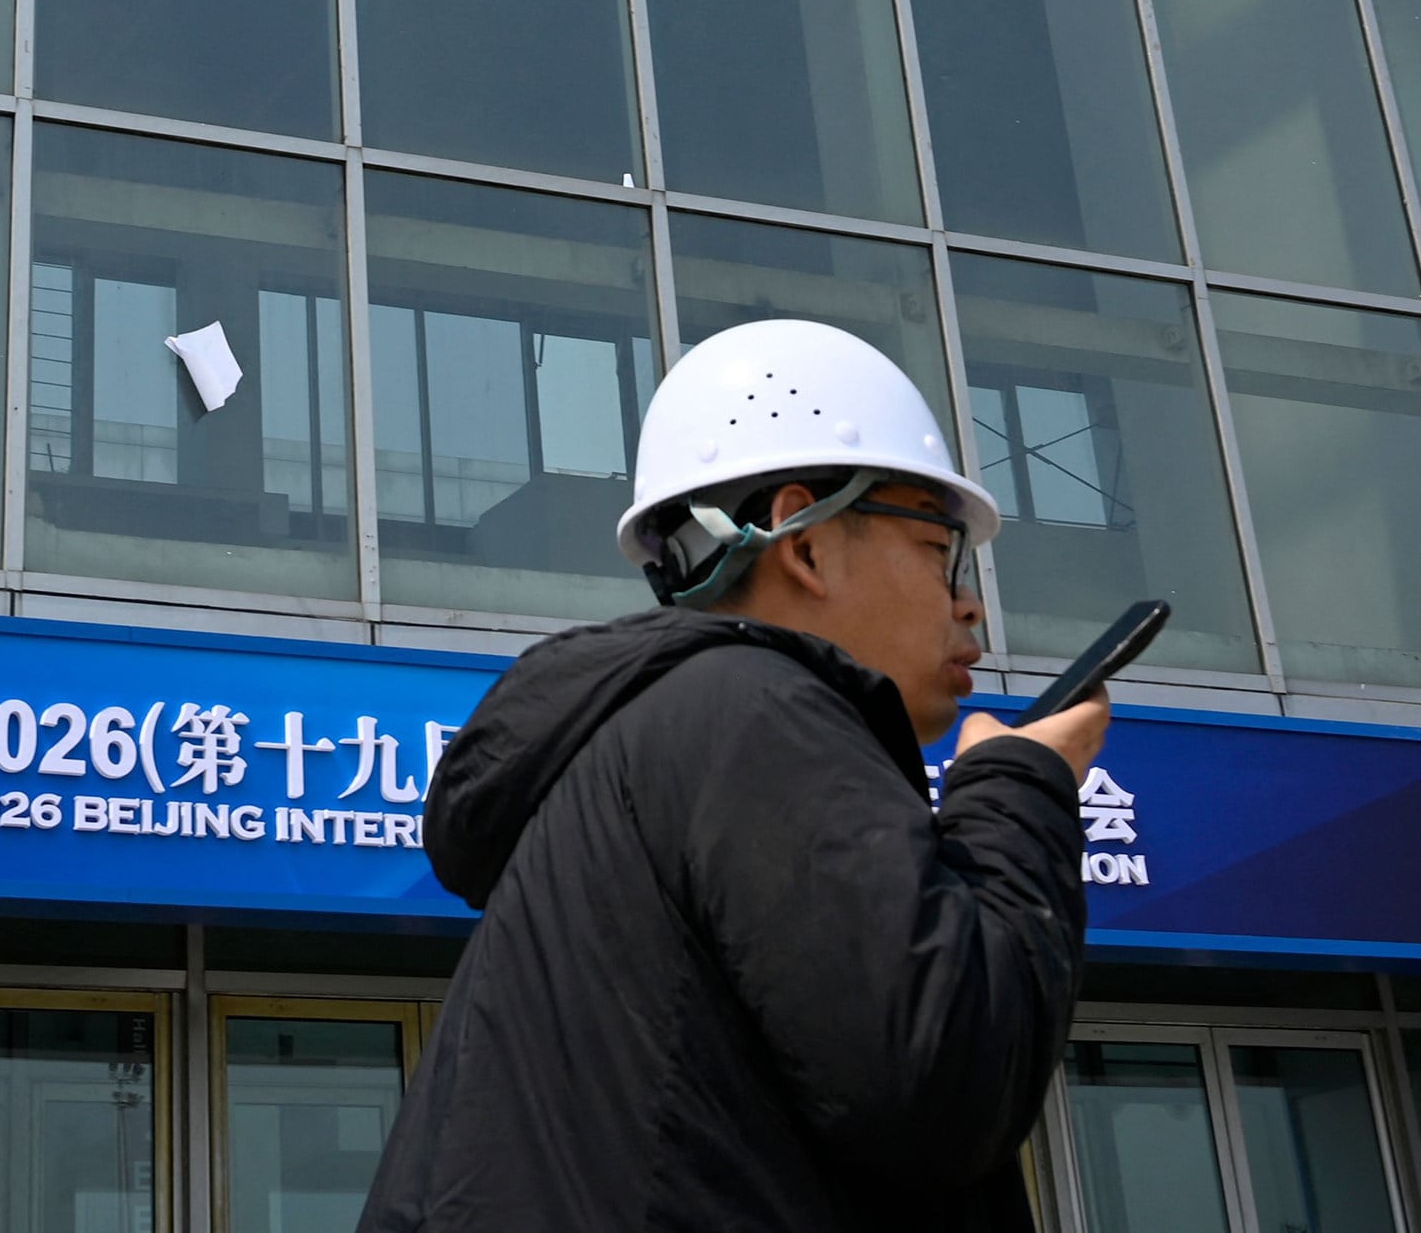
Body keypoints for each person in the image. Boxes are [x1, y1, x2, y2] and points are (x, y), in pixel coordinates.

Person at [358, 319, 1105, 1233]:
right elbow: (939, 1082)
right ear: (803, 539)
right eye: (936, 547)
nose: (968, 601)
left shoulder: (639, 753)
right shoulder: (756, 711)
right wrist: (1016, 790)